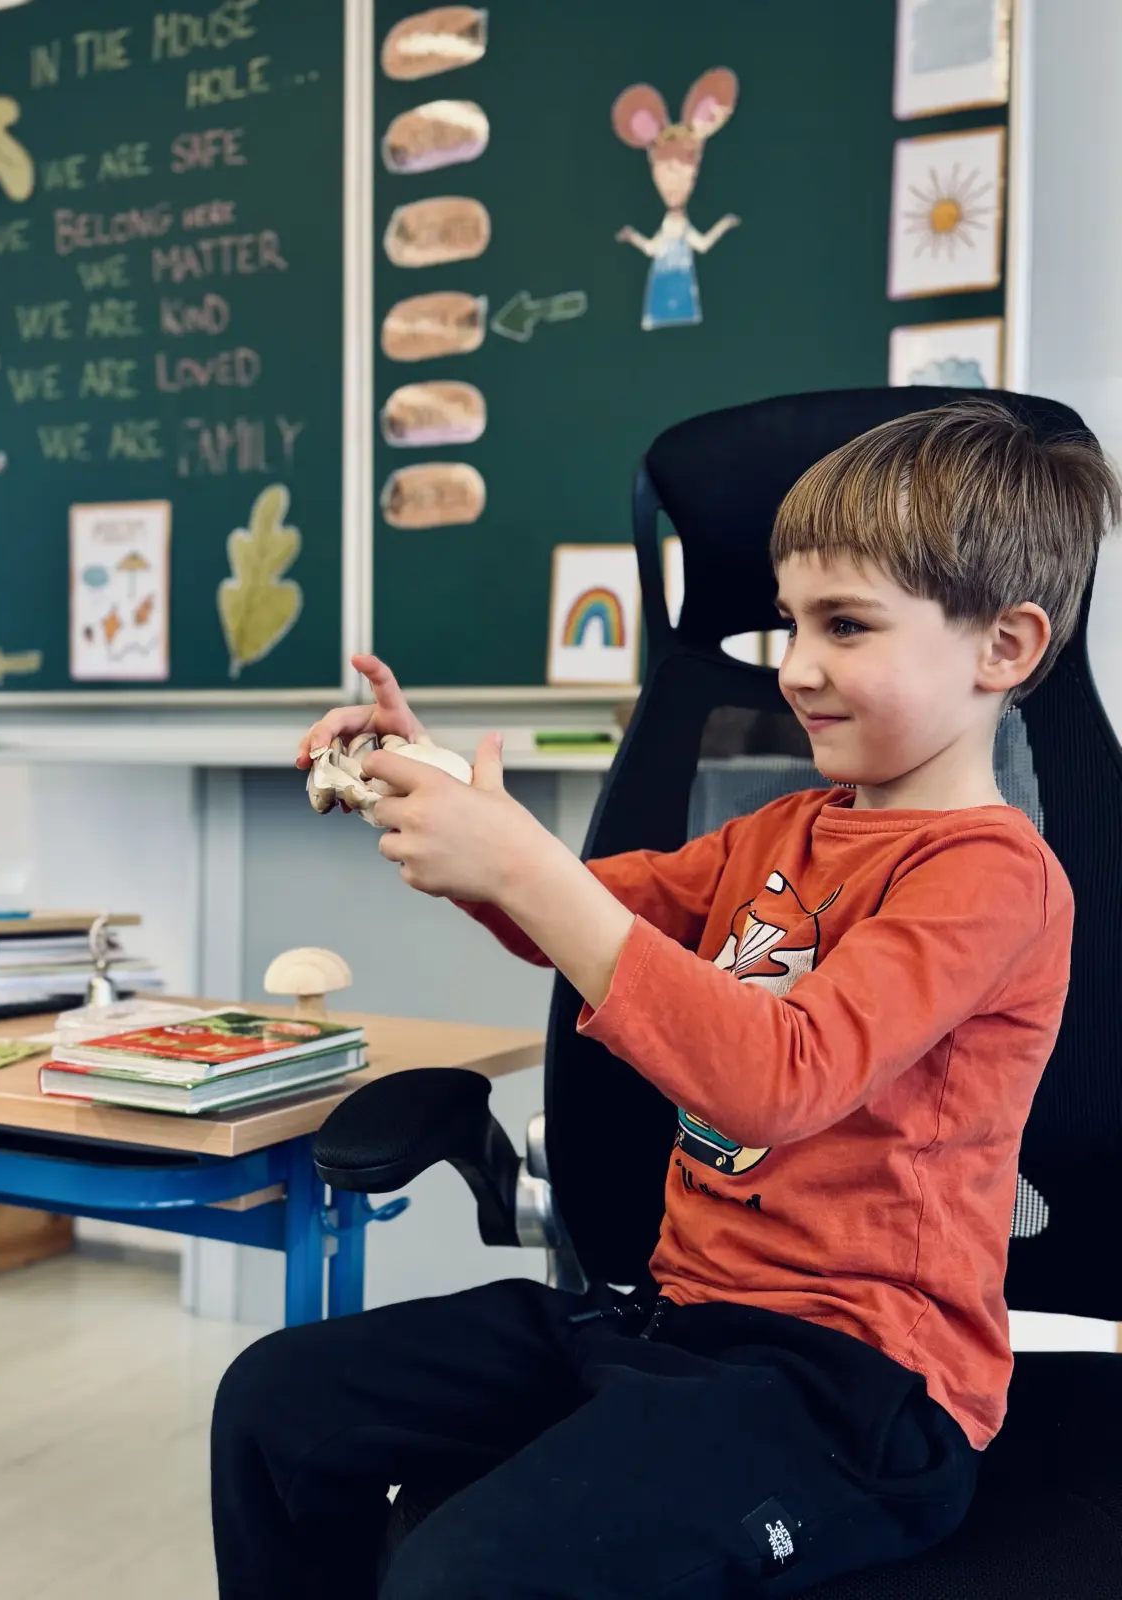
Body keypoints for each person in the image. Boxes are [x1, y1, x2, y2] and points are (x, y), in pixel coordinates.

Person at [212, 400, 1119, 1598]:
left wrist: (528, 870)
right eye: (789, 622)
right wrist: (432, 789)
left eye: (846, 624)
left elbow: (779, 1075)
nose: (795, 667)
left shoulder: (994, 877)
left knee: (459, 1574)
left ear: (1003, 646)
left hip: (856, 1389)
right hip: (673, 1318)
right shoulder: (781, 832)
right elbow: (571, 914)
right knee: (274, 1406)